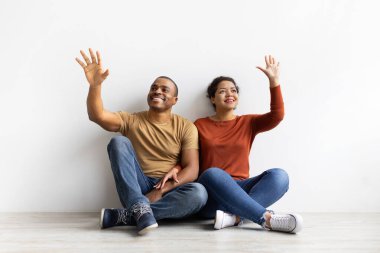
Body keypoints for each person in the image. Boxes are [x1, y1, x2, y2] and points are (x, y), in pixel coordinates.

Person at [75, 48, 208, 235]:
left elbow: (192, 170)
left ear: (175, 100)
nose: (157, 91)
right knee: (118, 143)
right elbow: (97, 116)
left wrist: (160, 191)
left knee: (199, 193)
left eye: (164, 89)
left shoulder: (185, 126)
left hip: (167, 188)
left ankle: (126, 215)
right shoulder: (132, 120)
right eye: (154, 88)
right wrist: (95, 86)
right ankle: (138, 207)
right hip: (137, 187)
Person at [194, 55, 303, 233]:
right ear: (212, 98)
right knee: (212, 173)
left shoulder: (247, 122)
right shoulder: (199, 125)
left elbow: (277, 115)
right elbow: (188, 156)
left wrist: (274, 81)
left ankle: (234, 218)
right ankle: (265, 218)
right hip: (212, 192)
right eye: (222, 91)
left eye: (233, 90)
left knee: (280, 176)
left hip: (242, 190)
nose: (230, 94)